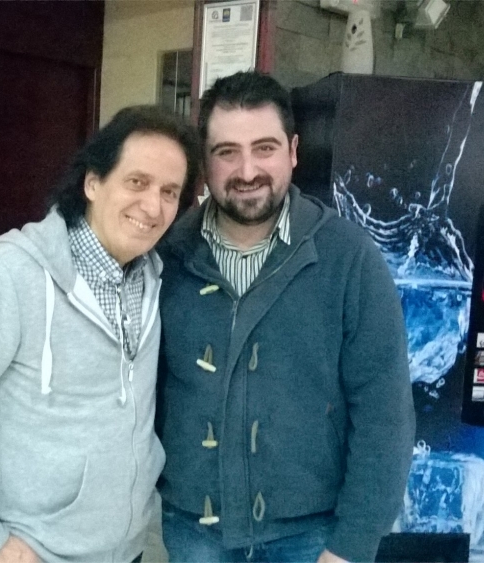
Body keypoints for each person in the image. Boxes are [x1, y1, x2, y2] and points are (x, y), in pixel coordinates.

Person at [0, 105, 200, 563]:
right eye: (137, 182)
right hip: (36, 553)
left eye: (169, 192)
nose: (153, 206)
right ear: (92, 182)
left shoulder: (153, 278)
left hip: (128, 549)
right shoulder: (11, 274)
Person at [155, 71, 415, 563]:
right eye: (226, 152)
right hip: (194, 531)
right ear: (204, 163)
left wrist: (353, 544)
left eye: (265, 148)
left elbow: (385, 416)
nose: (247, 169)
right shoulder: (166, 255)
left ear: (293, 151)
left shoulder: (349, 257)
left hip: (311, 537)